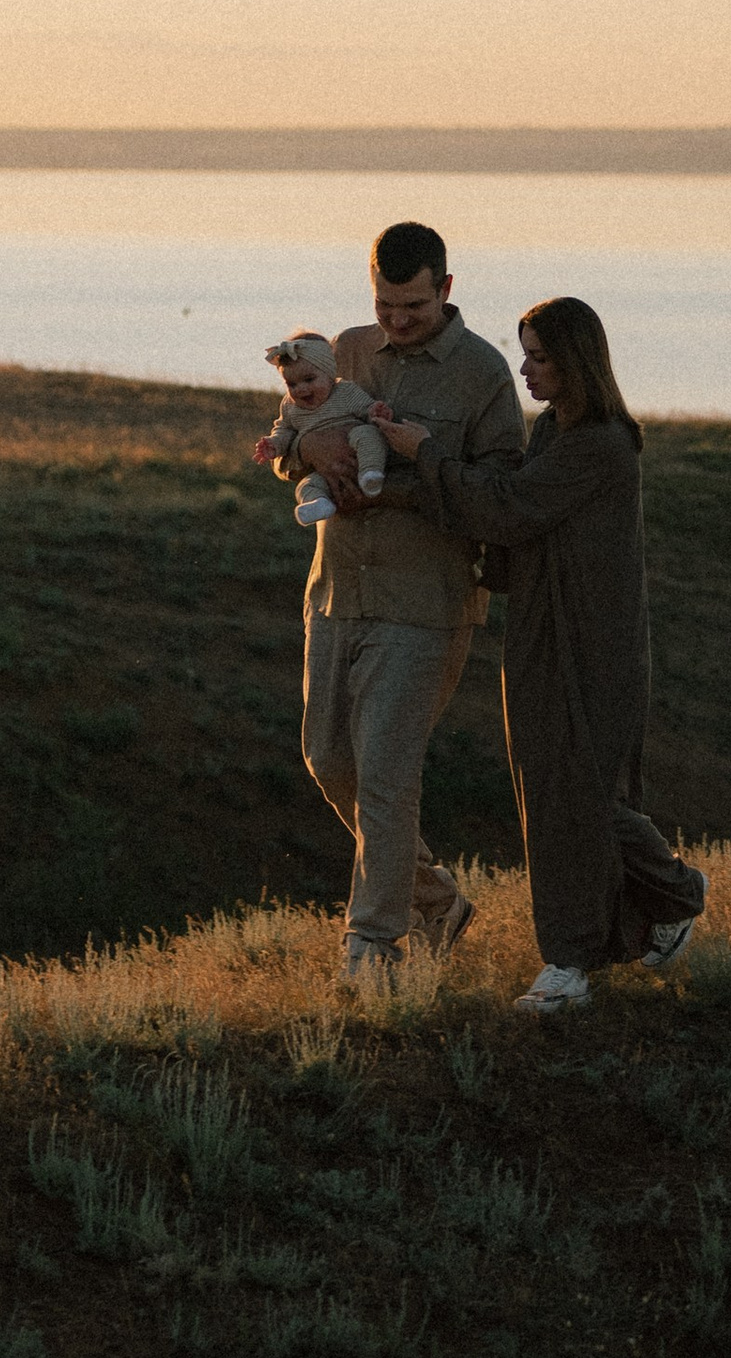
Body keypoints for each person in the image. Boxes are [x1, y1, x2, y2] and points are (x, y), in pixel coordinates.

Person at [374, 294, 704, 1014]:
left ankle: (576, 958)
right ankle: (653, 914)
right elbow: (515, 514)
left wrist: (423, 453)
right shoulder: (560, 428)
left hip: (592, 641)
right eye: (524, 354)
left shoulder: (599, 443)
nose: (524, 369)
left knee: (574, 798)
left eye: (539, 357)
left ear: (575, 361)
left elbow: (509, 507)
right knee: (562, 794)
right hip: (546, 633)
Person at [274, 222, 526, 990]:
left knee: (385, 773)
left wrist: (409, 479)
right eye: (385, 304)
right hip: (336, 591)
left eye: (411, 306)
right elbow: (286, 440)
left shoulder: (484, 376)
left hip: (427, 603)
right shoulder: (341, 350)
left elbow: (501, 495)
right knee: (329, 760)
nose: (395, 319)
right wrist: (304, 455)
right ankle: (437, 902)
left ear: (444, 290)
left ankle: (373, 948)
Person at [253, 332, 388, 529]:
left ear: (330, 374)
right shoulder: (291, 406)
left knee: (367, 434)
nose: (300, 389)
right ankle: (318, 505)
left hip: (354, 445)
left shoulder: (346, 391)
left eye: (309, 379)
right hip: (324, 472)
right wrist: (274, 445)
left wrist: (376, 412)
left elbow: (366, 410)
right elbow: (284, 431)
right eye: (292, 384)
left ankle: (371, 473)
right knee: (307, 485)